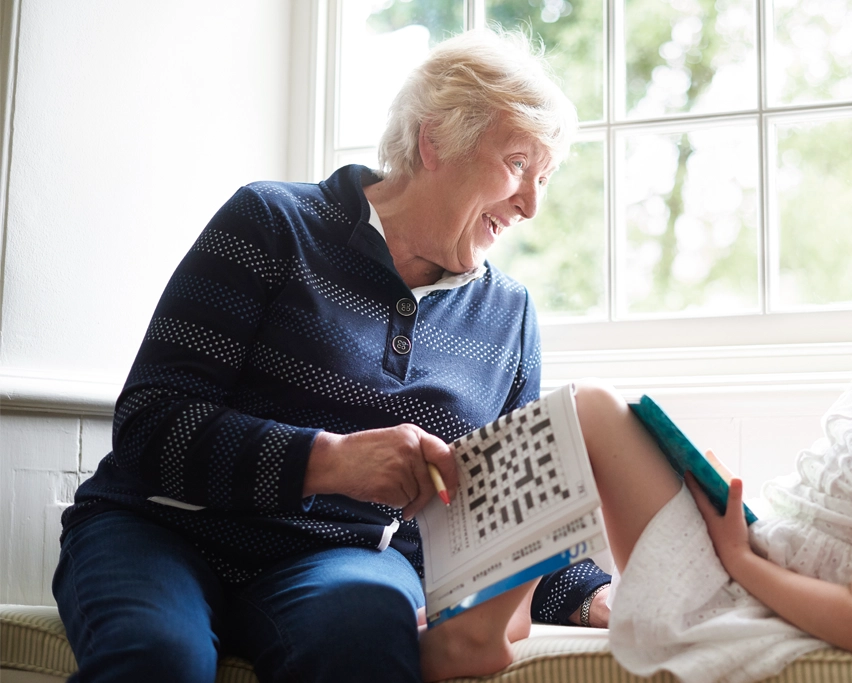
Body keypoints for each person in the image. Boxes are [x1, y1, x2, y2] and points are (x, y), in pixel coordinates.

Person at [52, 27, 611, 683]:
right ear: (435, 141)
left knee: (364, 641)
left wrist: (590, 592)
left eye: (544, 178)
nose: (532, 205)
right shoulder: (270, 222)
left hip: (343, 557)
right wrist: (331, 462)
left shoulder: (508, 317)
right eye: (519, 164)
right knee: (157, 660)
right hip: (160, 530)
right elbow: (151, 423)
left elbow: (499, 519)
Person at [420, 203, 852, 683]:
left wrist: (739, 555)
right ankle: (489, 612)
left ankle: (478, 630)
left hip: (733, 596)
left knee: (590, 409)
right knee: (594, 409)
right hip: (742, 560)